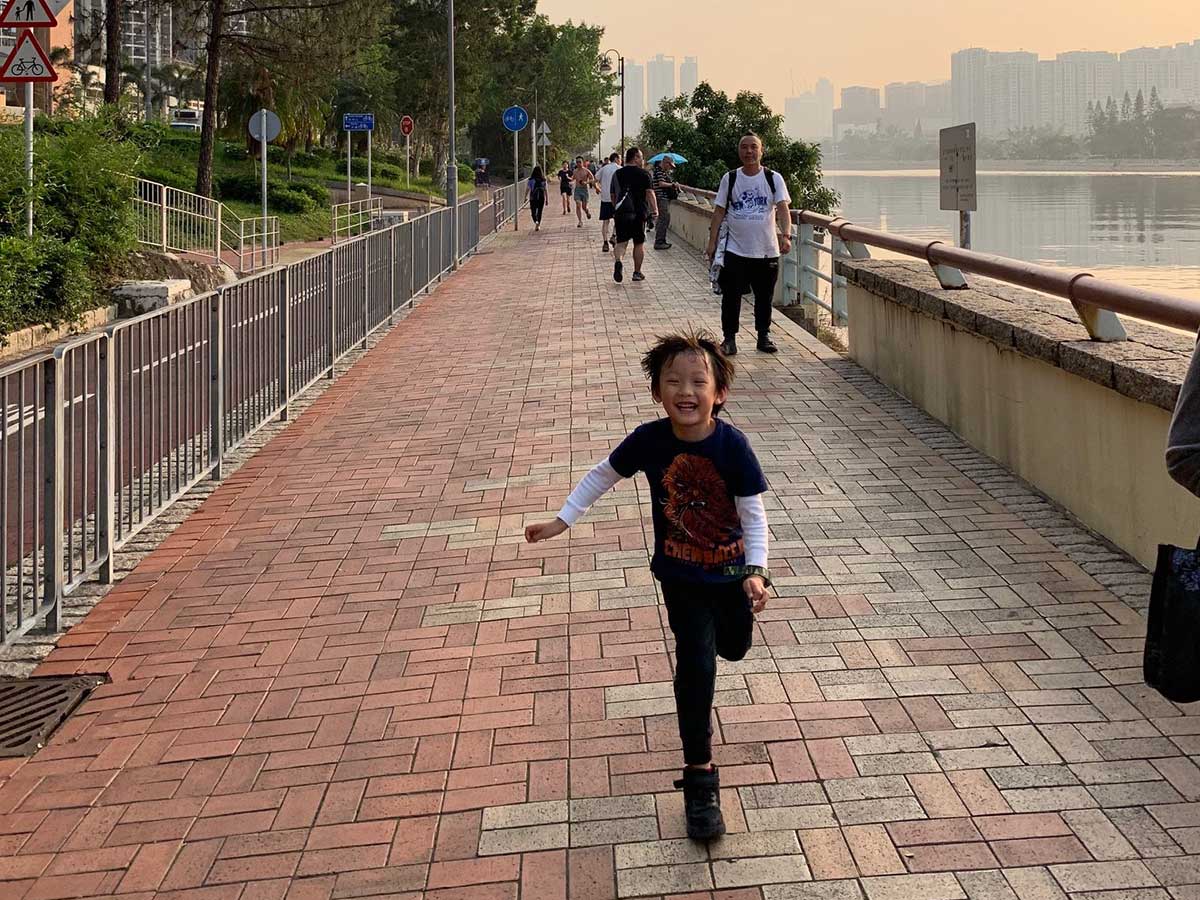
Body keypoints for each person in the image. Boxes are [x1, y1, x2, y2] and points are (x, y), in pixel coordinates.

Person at [525, 330, 771, 841]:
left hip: (731, 575)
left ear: (718, 394)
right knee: (696, 664)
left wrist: (756, 571)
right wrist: (562, 520)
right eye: (673, 381)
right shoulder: (649, 439)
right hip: (680, 577)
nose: (686, 390)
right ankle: (700, 779)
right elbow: (602, 474)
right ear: (658, 392)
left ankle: (735, 626)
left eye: (698, 381)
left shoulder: (732, 445)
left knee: (734, 647)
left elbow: (753, 512)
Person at [704, 133, 793, 356]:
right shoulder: (730, 178)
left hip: (766, 250)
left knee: (764, 296)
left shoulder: (773, 178)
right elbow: (719, 211)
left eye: (754, 147)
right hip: (735, 250)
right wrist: (712, 242)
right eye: (744, 147)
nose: (749, 152)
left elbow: (783, 209)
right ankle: (729, 338)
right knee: (731, 297)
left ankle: (763, 335)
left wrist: (786, 235)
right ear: (739, 151)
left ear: (761, 151)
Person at [610, 146, 658, 283]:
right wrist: (655, 211)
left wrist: (616, 209)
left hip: (621, 213)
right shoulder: (644, 174)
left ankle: (618, 261)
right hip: (638, 214)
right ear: (635, 157)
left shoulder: (617, 174)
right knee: (638, 243)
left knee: (621, 242)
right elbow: (650, 193)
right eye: (641, 157)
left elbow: (613, 195)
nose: (642, 160)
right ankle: (637, 272)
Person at [652, 156, 680, 250]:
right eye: (669, 165)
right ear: (665, 163)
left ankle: (661, 240)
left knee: (665, 218)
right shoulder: (659, 171)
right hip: (661, 197)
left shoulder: (662, 172)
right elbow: (661, 183)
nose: (670, 168)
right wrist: (672, 185)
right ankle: (659, 241)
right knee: (664, 219)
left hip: (663, 198)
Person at [597, 152, 621, 253]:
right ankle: (614, 235)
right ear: (616, 159)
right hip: (616, 198)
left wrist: (598, 188)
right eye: (619, 158)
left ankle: (605, 242)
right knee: (618, 220)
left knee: (605, 222)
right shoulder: (619, 169)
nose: (620, 160)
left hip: (605, 198)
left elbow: (595, 179)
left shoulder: (603, 168)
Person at [572, 157, 596, 227]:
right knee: (578, 204)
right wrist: (569, 180)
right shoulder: (575, 171)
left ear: (583, 162)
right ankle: (580, 221)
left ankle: (587, 212)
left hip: (584, 190)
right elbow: (573, 178)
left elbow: (592, 179)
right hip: (577, 190)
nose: (578, 163)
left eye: (580, 162)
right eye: (577, 162)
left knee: (584, 207)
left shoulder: (587, 171)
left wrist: (586, 182)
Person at [526, 166, 548, 231]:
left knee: (533, 212)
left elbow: (527, 189)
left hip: (533, 198)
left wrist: (525, 197)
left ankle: (536, 221)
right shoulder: (543, 180)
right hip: (541, 197)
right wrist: (547, 199)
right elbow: (545, 190)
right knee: (540, 211)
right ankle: (538, 225)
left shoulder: (531, 180)